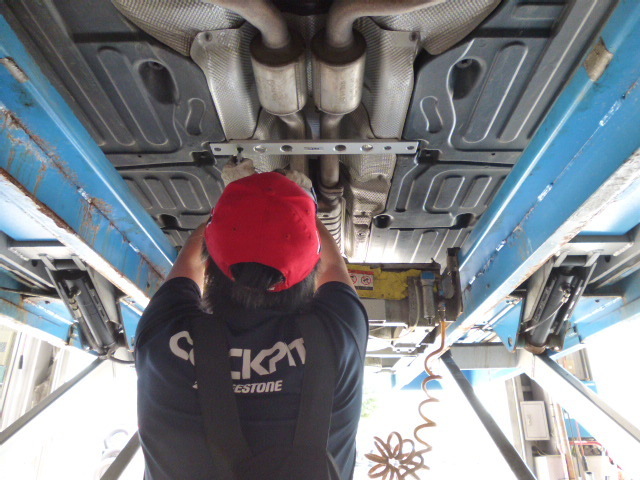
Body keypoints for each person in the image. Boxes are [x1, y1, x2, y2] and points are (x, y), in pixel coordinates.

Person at [135, 171, 368, 480]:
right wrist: (229, 214)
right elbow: (190, 263)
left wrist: (301, 210)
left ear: (210, 259)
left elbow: (332, 265)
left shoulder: (341, 334)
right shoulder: (162, 336)